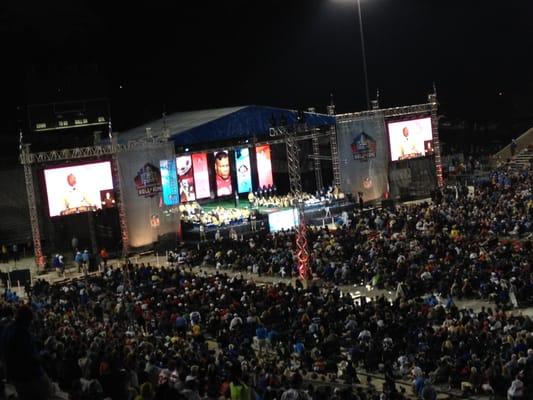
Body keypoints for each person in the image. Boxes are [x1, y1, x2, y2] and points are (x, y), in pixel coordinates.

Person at [0, 305, 51, 399]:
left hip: (14, 376)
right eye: (30, 321)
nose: (30, 324)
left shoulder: (7, 329)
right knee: (47, 390)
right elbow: (30, 359)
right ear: (26, 319)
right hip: (29, 377)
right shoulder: (22, 333)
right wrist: (44, 356)